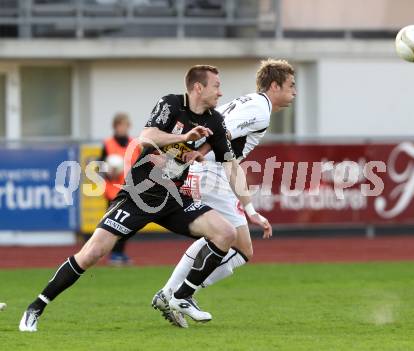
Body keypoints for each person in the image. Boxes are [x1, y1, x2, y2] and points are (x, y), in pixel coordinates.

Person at [19, 64, 270, 332]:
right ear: (198, 87)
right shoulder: (171, 104)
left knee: (225, 233)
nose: (221, 93)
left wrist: (250, 208)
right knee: (92, 253)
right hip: (140, 195)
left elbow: (232, 166)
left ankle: (181, 296)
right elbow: (146, 137)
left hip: (174, 198)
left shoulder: (215, 122)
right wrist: (185, 137)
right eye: (216, 86)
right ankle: (35, 307)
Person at [152, 59, 296, 328]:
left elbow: (221, 129)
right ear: (274, 86)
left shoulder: (252, 102)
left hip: (211, 170)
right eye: (291, 85)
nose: (295, 92)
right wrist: (200, 155)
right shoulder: (260, 109)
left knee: (224, 239)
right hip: (212, 172)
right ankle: (180, 293)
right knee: (241, 248)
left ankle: (171, 293)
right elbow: (223, 132)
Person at [100, 113, 141, 266]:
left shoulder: (134, 144)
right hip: (112, 192)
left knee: (128, 225)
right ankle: (114, 254)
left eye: (126, 125)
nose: (124, 128)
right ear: (116, 126)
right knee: (112, 225)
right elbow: (99, 167)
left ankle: (119, 253)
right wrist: (108, 172)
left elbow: (138, 166)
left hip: (129, 191)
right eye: (121, 125)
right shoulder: (108, 144)